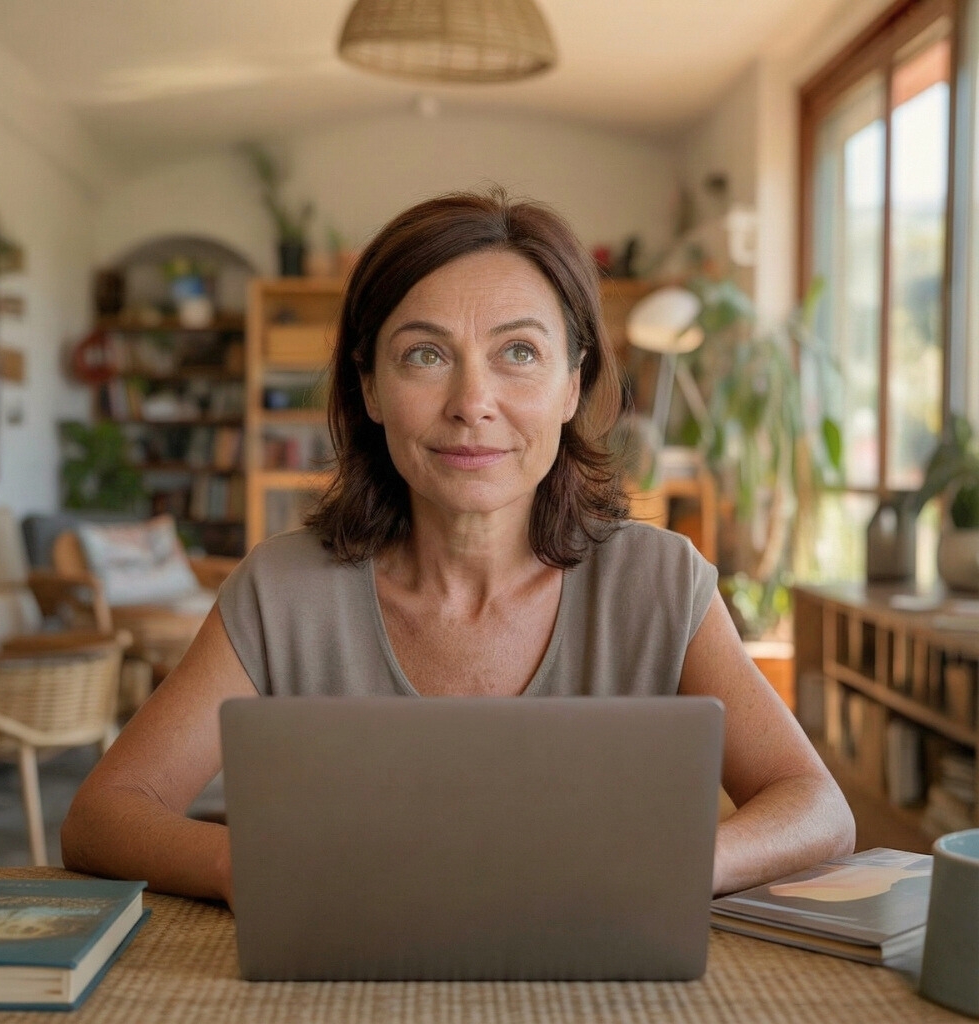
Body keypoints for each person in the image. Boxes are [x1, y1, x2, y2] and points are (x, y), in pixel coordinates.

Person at [61, 189, 854, 904]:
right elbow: (103, 816)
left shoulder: (659, 582)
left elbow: (814, 805)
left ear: (573, 384)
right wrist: (255, 869)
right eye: (425, 355)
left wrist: (679, 867)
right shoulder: (283, 590)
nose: (473, 404)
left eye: (519, 353)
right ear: (368, 386)